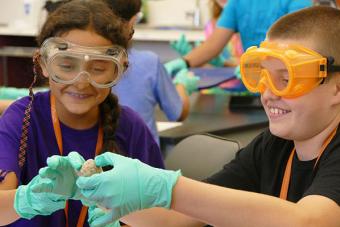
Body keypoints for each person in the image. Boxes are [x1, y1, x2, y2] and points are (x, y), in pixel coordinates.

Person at [36, 6, 340, 227]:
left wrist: (168, 187)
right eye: (261, 76)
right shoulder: (273, 146)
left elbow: (310, 220)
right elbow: (184, 216)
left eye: (285, 79)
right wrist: (93, 190)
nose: (268, 93)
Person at [0, 0, 164, 226]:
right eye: (67, 66)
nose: (81, 82)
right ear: (44, 63)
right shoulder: (21, 119)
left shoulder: (131, 127)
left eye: (98, 69)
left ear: (119, 69)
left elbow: (165, 211)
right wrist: (27, 200)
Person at [105, 0, 195, 144]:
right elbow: (178, 113)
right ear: (134, 21)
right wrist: (181, 85)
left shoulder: (89, 64)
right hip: (144, 160)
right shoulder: (149, 62)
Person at [165, 0, 312, 77]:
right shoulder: (237, 2)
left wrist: (258, 64)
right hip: (253, 86)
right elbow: (213, 45)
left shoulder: (297, 1)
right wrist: (184, 62)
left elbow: (297, 44)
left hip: (287, 82)